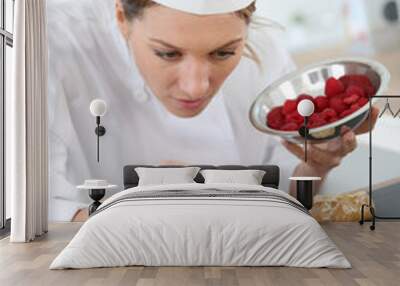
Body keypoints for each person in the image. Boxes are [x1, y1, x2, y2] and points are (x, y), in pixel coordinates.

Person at [47, 0, 378, 222]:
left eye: (223, 53)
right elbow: (42, 211)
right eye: (167, 54)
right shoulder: (51, 44)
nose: (196, 87)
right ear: (121, 17)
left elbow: (286, 189)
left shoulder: (263, 51)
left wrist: (315, 162)